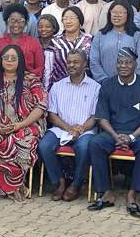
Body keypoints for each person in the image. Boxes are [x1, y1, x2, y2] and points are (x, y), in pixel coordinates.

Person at [88, 47, 140, 217]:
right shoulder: (107, 85)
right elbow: (102, 118)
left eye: (128, 62)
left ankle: (132, 194)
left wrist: (132, 137)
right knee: (95, 143)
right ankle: (106, 193)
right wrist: (115, 136)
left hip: (139, 133)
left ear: (135, 65)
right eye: (120, 62)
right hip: (114, 132)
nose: (123, 66)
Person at [0, 44, 46, 201]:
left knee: (19, 141)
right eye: (5, 57)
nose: (9, 61)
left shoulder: (31, 80)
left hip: (26, 125)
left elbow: (41, 106)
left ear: (20, 60)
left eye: (13, 58)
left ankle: (12, 186)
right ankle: (7, 187)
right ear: (0, 60)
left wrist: (20, 125)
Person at [37, 48, 98, 202]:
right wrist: (68, 128)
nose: (72, 65)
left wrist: (81, 128)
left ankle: (76, 185)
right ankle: (59, 182)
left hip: (85, 130)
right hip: (61, 128)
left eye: (76, 62)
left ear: (85, 64)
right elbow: (52, 114)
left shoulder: (95, 87)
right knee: (44, 146)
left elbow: (95, 116)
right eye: (69, 62)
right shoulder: (57, 86)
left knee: (84, 147)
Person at [90, 0, 140, 81]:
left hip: (131, 84)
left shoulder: (137, 35)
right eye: (114, 12)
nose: (116, 15)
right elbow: (94, 61)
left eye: (121, 12)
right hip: (105, 84)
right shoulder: (100, 35)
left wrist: (132, 80)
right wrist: (104, 80)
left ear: (128, 14)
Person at [43, 6, 93, 91]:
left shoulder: (89, 40)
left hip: (85, 87)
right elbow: (48, 69)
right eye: (65, 19)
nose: (68, 21)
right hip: (59, 88)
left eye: (72, 18)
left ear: (80, 20)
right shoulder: (54, 42)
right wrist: (46, 90)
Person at [0, 4, 45, 76]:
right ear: (6, 22)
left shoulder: (34, 43)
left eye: (20, 21)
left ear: (26, 23)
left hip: (28, 83)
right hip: (3, 83)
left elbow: (40, 68)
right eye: (12, 20)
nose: (16, 24)